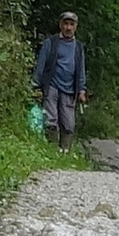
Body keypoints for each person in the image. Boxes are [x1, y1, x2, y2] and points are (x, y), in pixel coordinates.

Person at [32, 12, 87, 153]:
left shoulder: (78, 47)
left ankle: (65, 150)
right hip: (51, 85)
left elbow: (80, 69)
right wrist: (35, 85)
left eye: (71, 24)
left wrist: (81, 89)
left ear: (76, 26)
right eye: (66, 24)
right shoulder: (51, 42)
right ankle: (52, 149)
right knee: (51, 119)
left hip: (70, 88)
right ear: (60, 25)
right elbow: (41, 65)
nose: (68, 27)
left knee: (68, 122)